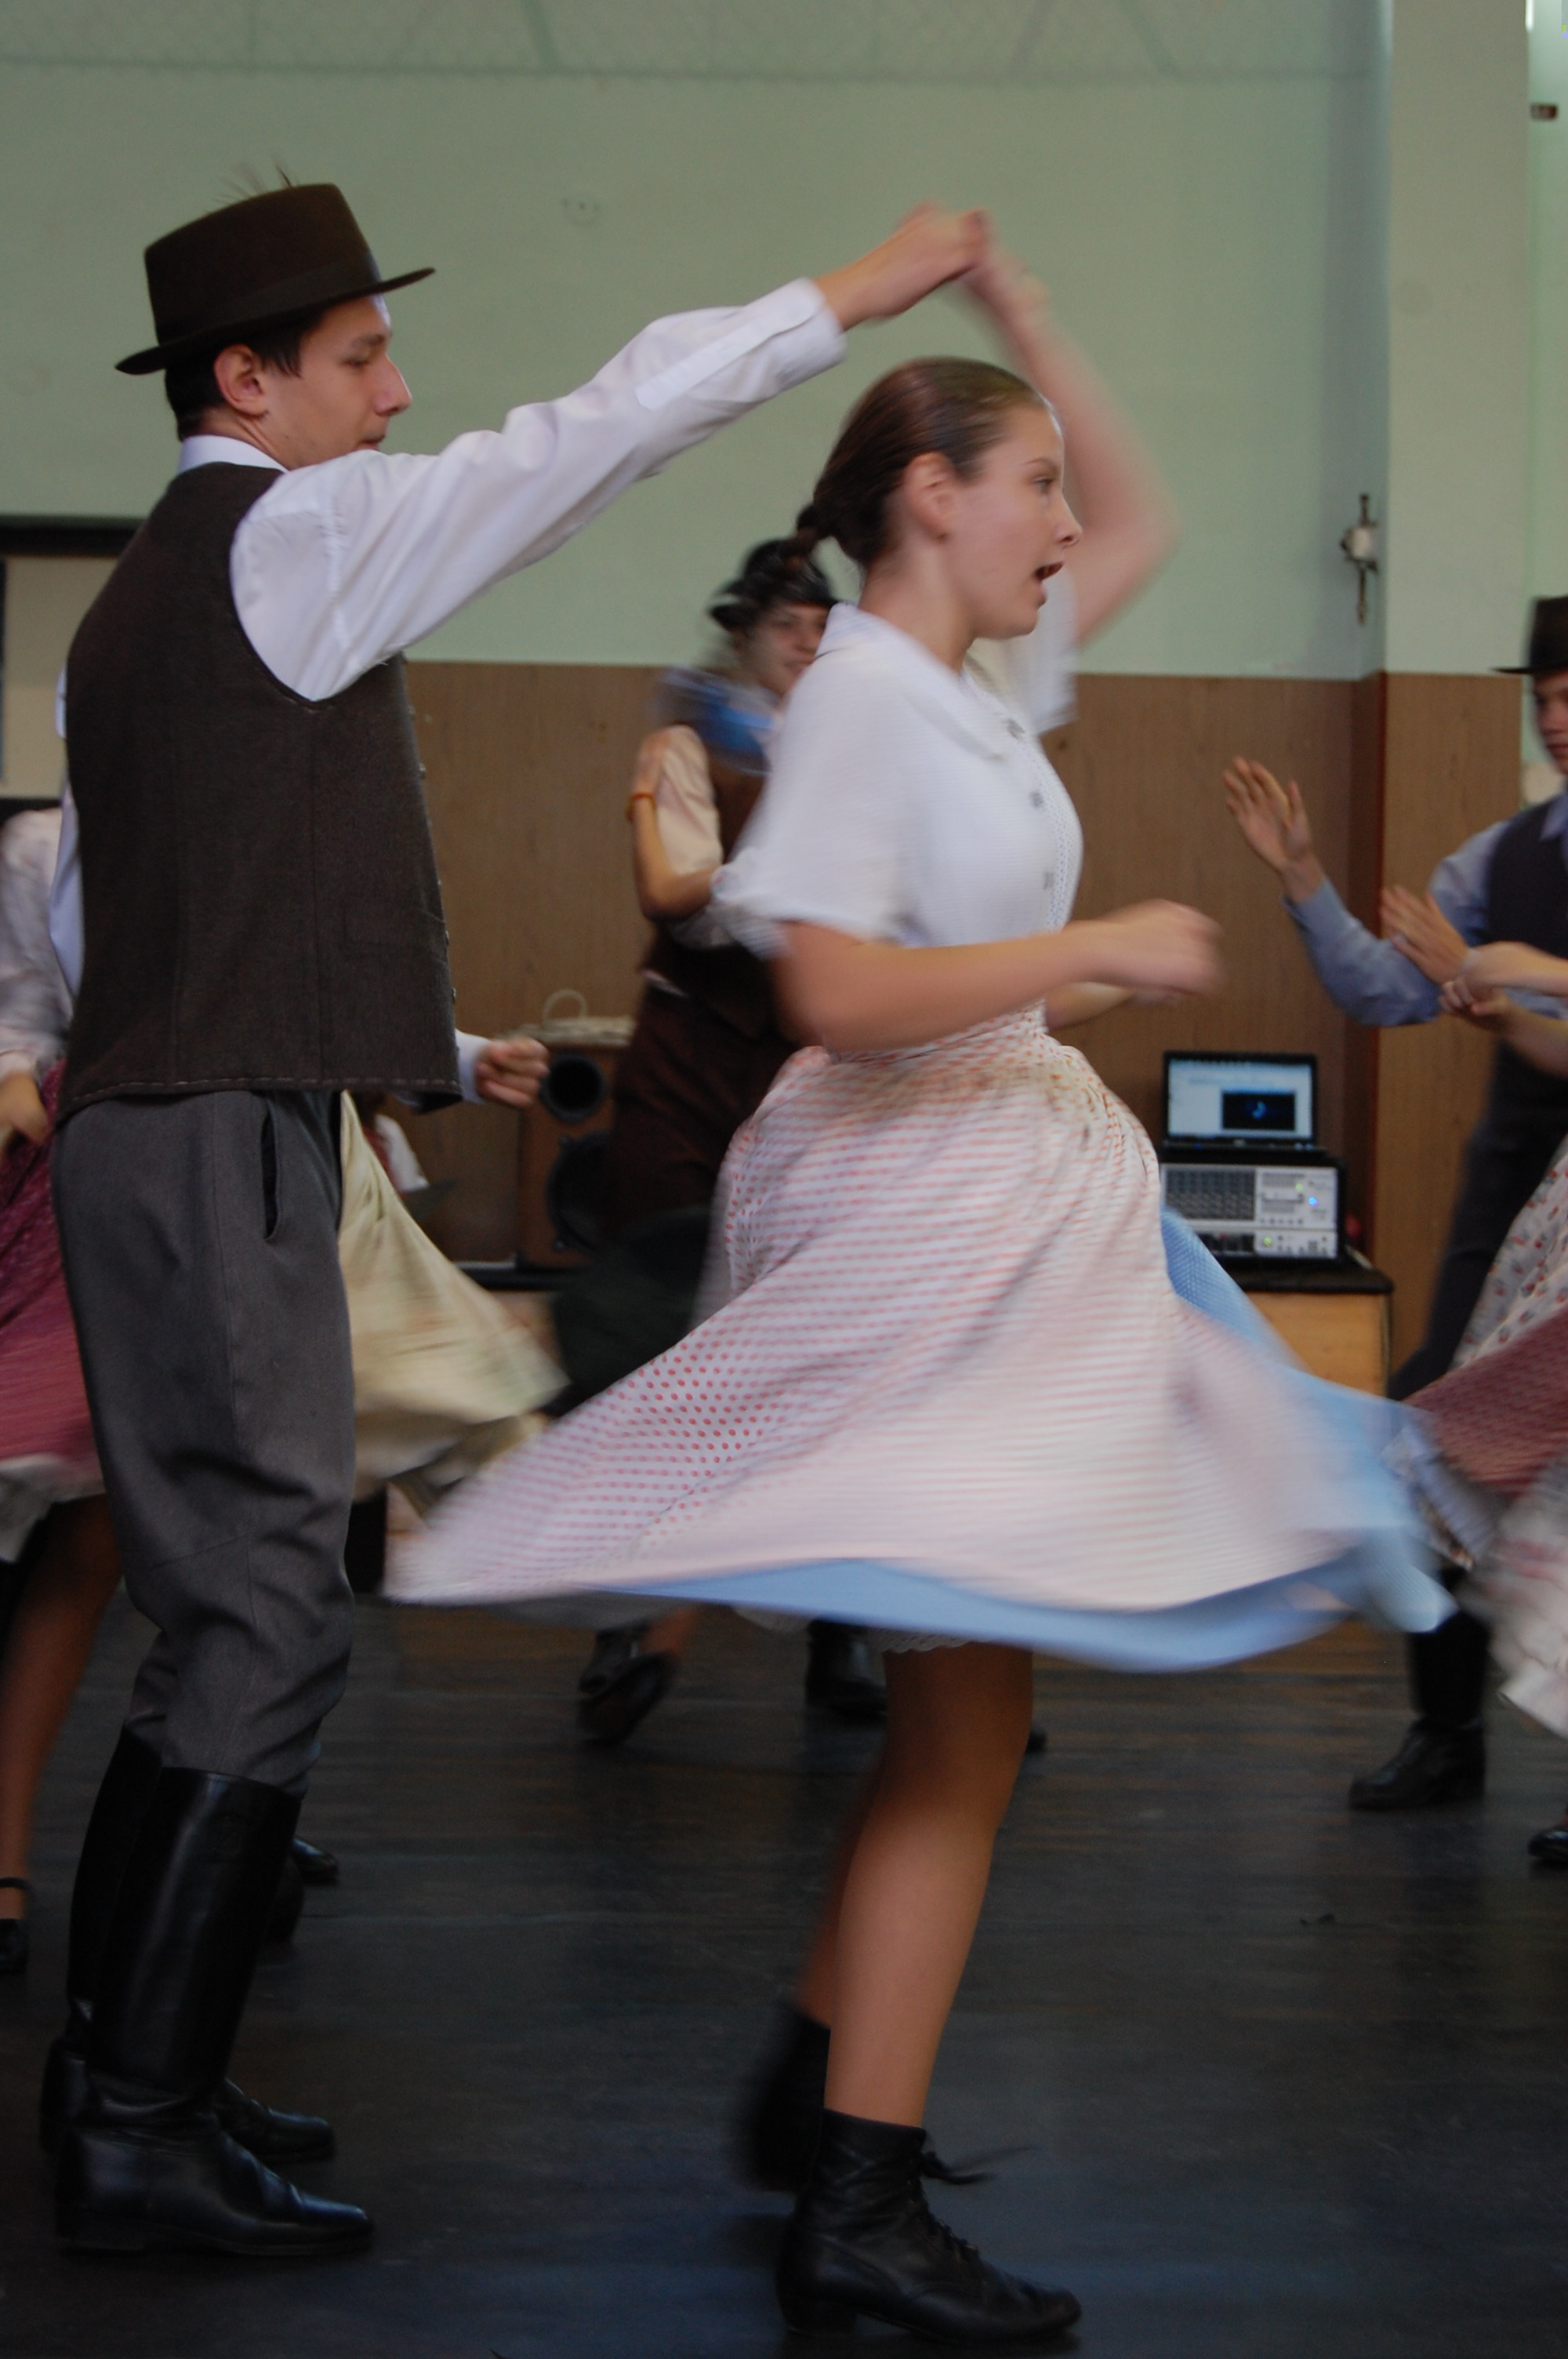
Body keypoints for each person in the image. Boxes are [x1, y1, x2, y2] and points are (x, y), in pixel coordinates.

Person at [391, 249, 1443, 2345]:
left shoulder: (978, 685)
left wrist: (1037, 328)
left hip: (997, 1196)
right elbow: (832, 989)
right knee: (968, 1716)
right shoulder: (870, 696)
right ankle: (852, 2192)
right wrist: (1091, 952)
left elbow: (1143, 519)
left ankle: (821, 2091)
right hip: (919, 1201)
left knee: (973, 1704)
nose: (1066, 520)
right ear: (928, 501)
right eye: (1026, 482)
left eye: (1051, 484)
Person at [41, 176, 985, 2260]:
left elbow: (140, 919)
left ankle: (125, 2071)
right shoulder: (286, 540)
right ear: (245, 380)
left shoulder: (140, 607)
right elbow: (598, 430)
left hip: (186, 1123)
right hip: (206, 1134)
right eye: (361, 359)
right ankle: (133, 2122)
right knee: (272, 1613)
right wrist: (849, 293)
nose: (397, 396)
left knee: (231, 1612)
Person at [0, 801, 554, 1990]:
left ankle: (234, 1802)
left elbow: (319, 993)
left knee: (274, 1535)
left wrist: (460, 1059)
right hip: (125, 1178)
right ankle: (27, 1858)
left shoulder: (262, 807)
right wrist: (11, 1074)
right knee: (106, 1544)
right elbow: (26, 1009)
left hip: (286, 1180)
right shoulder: (48, 845)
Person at [1223, 595, 1568, 1826]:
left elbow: (1502, 987)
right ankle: (1446, 1730)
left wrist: (1509, 977)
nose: (1558, 720)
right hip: (1521, 1200)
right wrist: (1306, 880)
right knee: (1438, 1436)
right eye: (1544, 699)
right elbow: (1388, 988)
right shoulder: (1503, 858)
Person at [579, 537, 888, 1738]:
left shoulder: (858, 741)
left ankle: (839, 1627)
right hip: (689, 1049)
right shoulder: (691, 736)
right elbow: (682, 895)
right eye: (787, 627)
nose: (807, 644)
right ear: (744, 633)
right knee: (652, 1318)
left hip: (804, 1053)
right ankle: (624, 1619)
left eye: (822, 627)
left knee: (825, 1330)